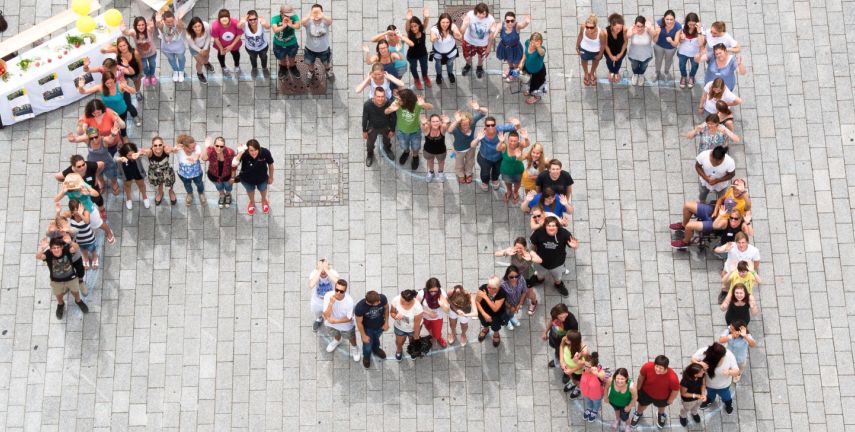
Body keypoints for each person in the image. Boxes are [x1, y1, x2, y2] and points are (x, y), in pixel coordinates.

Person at [55, 173, 115, 244]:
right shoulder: (67, 189)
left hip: (89, 210)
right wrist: (63, 192)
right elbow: (56, 199)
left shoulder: (83, 185)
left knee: (99, 224)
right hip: (76, 211)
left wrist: (88, 193)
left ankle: (109, 232)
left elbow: (96, 194)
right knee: (84, 226)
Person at [37, 237, 89, 319]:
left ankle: (78, 301)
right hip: (56, 281)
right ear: (50, 249)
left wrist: (70, 242)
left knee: (75, 291)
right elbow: (38, 256)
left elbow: (76, 248)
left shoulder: (66, 250)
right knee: (58, 294)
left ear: (61, 247)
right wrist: (42, 248)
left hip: (71, 278)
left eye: (58, 247)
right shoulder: (48, 254)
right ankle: (60, 304)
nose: (56, 250)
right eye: (54, 248)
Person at [77, 70, 136, 141]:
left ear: (114, 79)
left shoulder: (120, 86)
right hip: (108, 113)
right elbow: (84, 91)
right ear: (103, 82)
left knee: (122, 125)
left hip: (121, 111)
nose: (110, 85)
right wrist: (81, 87)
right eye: (107, 83)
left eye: (111, 82)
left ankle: (124, 135)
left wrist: (126, 86)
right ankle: (117, 138)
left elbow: (133, 91)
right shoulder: (100, 87)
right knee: (111, 126)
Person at [529, 216, 579, 296]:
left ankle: (558, 285)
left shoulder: (564, 233)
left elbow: (574, 244)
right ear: (545, 226)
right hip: (540, 263)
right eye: (549, 226)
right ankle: (539, 280)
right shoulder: (538, 232)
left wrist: (575, 246)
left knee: (558, 277)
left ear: (557, 226)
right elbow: (532, 246)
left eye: (553, 226)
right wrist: (533, 254)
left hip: (558, 264)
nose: (551, 228)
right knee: (540, 275)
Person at [384, 89, 433, 170]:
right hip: (401, 131)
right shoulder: (397, 103)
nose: (398, 100)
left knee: (416, 147)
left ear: (407, 99)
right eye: (398, 98)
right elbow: (386, 112)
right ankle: (406, 152)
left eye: (400, 99)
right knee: (404, 145)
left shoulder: (416, 104)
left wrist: (423, 104)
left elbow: (430, 107)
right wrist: (391, 109)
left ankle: (415, 156)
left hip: (415, 131)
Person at [630, 355, 680, 429]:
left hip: (662, 397)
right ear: (654, 364)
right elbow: (641, 377)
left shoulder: (673, 378)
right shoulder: (647, 366)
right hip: (646, 393)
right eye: (656, 366)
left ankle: (661, 414)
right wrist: (638, 388)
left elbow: (675, 390)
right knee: (642, 405)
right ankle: (638, 413)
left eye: (661, 368)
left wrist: (670, 400)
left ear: (666, 368)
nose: (657, 369)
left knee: (661, 407)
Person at [472, 116, 520, 190]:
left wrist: (517, 123)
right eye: (488, 125)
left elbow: (516, 127)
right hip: (485, 158)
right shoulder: (482, 133)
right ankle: (485, 182)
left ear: (495, 125)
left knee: (497, 171)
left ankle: (495, 179)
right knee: (485, 173)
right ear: (485, 126)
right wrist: (478, 139)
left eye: (493, 125)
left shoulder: (500, 129)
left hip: (499, 157)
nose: (490, 127)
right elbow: (472, 145)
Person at [691, 342, 740, 414]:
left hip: (723, 386)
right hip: (709, 385)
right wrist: (699, 363)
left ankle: (728, 405)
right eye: (722, 357)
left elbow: (737, 372)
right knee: (710, 396)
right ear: (715, 359)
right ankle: (710, 401)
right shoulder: (704, 352)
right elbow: (692, 359)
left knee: (727, 397)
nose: (724, 357)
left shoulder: (729, 355)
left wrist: (729, 372)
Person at [100, 36, 144, 115]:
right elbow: (103, 51)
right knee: (125, 83)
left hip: (134, 70)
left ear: (127, 44)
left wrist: (140, 74)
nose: (122, 48)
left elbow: (140, 63)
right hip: (123, 72)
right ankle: (125, 92)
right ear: (118, 47)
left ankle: (137, 92)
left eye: (124, 45)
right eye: (120, 46)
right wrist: (104, 49)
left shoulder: (135, 53)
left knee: (137, 81)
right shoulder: (117, 51)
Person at [449, 101, 488, 183]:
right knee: (459, 164)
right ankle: (460, 174)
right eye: (463, 124)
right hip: (459, 150)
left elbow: (485, 112)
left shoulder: (472, 123)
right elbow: (449, 130)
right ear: (459, 124)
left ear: (470, 122)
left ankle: (468, 173)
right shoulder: (456, 128)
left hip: (470, 147)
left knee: (470, 162)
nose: (466, 126)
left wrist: (479, 108)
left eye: (467, 124)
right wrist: (456, 121)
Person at [233, 139, 275, 215]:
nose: (254, 152)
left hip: (262, 178)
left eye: (256, 150)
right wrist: (240, 152)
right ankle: (252, 202)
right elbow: (234, 164)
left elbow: (270, 164)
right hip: (247, 179)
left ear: (259, 148)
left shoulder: (265, 152)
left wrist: (271, 177)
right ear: (247, 150)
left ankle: (264, 200)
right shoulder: (244, 153)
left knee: (263, 189)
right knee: (250, 191)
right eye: (251, 150)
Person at [322, 279, 360, 362]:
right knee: (335, 334)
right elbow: (325, 314)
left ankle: (354, 348)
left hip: (345, 325)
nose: (338, 293)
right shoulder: (328, 296)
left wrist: (335, 321)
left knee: (351, 337)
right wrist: (331, 303)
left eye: (341, 291)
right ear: (334, 288)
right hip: (330, 323)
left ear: (345, 291)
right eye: (337, 290)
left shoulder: (349, 301)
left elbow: (349, 318)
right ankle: (337, 341)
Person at [138, 136, 178, 206]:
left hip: (166, 171)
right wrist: (139, 153)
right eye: (155, 145)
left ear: (163, 144)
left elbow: (171, 149)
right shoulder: (150, 152)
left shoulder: (165, 149)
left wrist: (174, 149)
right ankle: (160, 193)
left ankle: (171, 192)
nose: (158, 147)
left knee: (170, 183)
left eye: (160, 145)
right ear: (152, 146)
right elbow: (144, 152)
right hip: (155, 172)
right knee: (159, 184)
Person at [354, 290, 389, 368]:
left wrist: (386, 322)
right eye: (378, 302)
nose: (380, 302)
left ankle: (376, 349)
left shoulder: (382, 298)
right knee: (367, 346)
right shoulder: (360, 308)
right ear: (370, 303)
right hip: (367, 329)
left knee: (376, 339)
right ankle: (366, 357)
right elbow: (359, 322)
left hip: (380, 326)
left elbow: (386, 308)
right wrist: (363, 335)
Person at [460, 3, 496, 79]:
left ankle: (479, 67)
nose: (481, 16)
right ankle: (468, 65)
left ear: (487, 13)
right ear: (476, 11)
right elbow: (462, 31)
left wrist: (489, 47)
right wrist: (465, 24)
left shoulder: (491, 20)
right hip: (469, 41)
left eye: (483, 14)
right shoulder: (470, 15)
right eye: (479, 13)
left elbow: (491, 36)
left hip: (483, 43)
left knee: (481, 57)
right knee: (467, 57)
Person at [362, 87, 396, 166]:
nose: (380, 99)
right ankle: (370, 154)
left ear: (385, 96)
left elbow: (394, 117)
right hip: (372, 127)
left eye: (382, 96)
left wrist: (392, 130)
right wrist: (364, 131)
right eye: (378, 96)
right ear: (374, 96)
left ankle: (387, 148)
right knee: (370, 144)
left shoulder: (390, 104)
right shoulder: (367, 105)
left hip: (385, 126)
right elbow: (365, 118)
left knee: (387, 140)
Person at [201, 137, 236, 208]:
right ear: (214, 145)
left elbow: (234, 166)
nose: (219, 148)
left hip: (227, 176)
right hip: (214, 176)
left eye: (221, 146)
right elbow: (204, 158)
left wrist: (233, 177)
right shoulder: (210, 150)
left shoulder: (230, 152)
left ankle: (228, 195)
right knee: (219, 187)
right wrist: (206, 147)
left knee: (228, 187)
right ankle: (222, 195)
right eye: (217, 146)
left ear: (224, 146)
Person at [301, 4, 334, 81]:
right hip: (310, 49)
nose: (316, 14)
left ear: (322, 13)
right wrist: (310, 15)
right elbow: (302, 22)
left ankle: (328, 71)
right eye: (314, 12)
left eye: (318, 12)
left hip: (324, 49)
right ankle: (311, 72)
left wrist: (321, 15)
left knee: (326, 62)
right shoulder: (309, 22)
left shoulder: (325, 22)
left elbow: (330, 20)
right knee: (310, 63)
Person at [124, 16, 158, 87]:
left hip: (152, 53)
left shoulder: (148, 29)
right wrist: (123, 30)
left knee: (152, 64)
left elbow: (152, 27)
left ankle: (152, 75)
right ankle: (147, 76)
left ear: (145, 25)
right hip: (141, 55)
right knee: (144, 66)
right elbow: (127, 33)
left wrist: (153, 24)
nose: (141, 27)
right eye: (139, 25)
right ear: (135, 26)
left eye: (143, 25)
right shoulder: (134, 32)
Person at [429, 12, 462, 85]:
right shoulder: (434, 29)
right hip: (438, 52)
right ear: (439, 22)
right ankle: (439, 75)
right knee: (438, 64)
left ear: (450, 22)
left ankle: (450, 74)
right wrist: (435, 38)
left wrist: (458, 35)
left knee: (450, 63)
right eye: (443, 22)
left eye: (447, 22)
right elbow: (432, 38)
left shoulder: (452, 26)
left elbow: (458, 33)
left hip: (451, 52)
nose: (445, 24)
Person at [495, 12, 530, 80]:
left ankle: (514, 74)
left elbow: (522, 25)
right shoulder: (501, 25)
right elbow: (495, 33)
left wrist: (526, 22)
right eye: (508, 21)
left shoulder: (517, 26)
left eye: (512, 21)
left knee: (516, 63)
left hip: (515, 49)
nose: (510, 23)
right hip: (504, 48)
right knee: (508, 59)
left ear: (515, 20)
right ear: (505, 20)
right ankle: (511, 68)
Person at [390, 289, 423, 360]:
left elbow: (416, 325)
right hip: (399, 327)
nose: (400, 302)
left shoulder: (418, 308)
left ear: (410, 301)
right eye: (401, 299)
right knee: (399, 342)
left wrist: (416, 338)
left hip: (413, 329)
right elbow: (392, 312)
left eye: (402, 301)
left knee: (412, 341)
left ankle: (412, 351)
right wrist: (395, 316)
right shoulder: (396, 299)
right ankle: (399, 350)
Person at [307, 259, 340, 331]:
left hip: (330, 300)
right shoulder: (314, 273)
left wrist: (326, 269)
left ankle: (331, 321)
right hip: (317, 301)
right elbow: (311, 285)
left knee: (332, 312)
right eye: (321, 269)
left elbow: (338, 282)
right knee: (318, 313)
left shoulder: (332, 272)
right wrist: (319, 270)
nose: (323, 272)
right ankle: (319, 319)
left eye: (325, 269)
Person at [542, 303, 578, 368]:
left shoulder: (572, 323)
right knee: (557, 352)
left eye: (565, 316)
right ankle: (557, 359)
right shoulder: (554, 313)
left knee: (565, 358)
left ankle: (565, 372)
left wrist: (565, 345)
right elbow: (551, 321)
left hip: (564, 343)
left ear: (567, 312)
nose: (563, 319)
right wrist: (545, 332)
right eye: (560, 317)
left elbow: (574, 337)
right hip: (553, 338)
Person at [115, 142, 150, 209]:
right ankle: (128, 198)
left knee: (141, 184)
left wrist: (139, 153)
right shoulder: (120, 154)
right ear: (124, 154)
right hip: (126, 172)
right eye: (129, 155)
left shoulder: (137, 151)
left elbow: (147, 151)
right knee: (127, 185)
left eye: (133, 154)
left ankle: (145, 197)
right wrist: (120, 159)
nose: (132, 157)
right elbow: (114, 158)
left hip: (137, 170)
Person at [65, 199, 98, 270]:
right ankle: (85, 258)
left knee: (92, 249)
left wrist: (80, 214)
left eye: (78, 209)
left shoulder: (86, 212)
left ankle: (95, 258)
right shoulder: (70, 215)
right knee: (83, 250)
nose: (76, 212)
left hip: (89, 238)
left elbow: (87, 221)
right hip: (78, 240)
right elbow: (61, 217)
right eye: (74, 210)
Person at [497, 130, 529, 202]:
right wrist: (501, 141)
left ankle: (515, 192)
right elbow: (497, 148)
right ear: (508, 140)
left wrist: (526, 138)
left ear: (518, 141)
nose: (513, 143)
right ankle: (509, 191)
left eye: (515, 141)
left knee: (518, 183)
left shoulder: (520, 146)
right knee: (507, 182)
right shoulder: (504, 146)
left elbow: (527, 144)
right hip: (506, 171)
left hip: (518, 171)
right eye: (511, 140)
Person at [270, 4, 301, 79]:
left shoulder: (294, 17)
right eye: (286, 15)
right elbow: (275, 29)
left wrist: (291, 25)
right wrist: (283, 26)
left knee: (292, 57)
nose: (288, 16)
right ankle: (283, 67)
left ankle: (292, 66)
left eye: (290, 14)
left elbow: (298, 26)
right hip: (278, 44)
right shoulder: (275, 19)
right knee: (281, 58)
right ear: (281, 13)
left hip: (292, 43)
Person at [156, 10, 188, 83]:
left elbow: (181, 26)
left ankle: (181, 71)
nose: (170, 23)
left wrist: (179, 18)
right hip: (166, 48)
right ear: (164, 21)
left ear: (174, 19)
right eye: (168, 22)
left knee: (181, 59)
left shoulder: (177, 26)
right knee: (171, 59)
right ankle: (175, 71)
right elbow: (158, 25)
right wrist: (157, 20)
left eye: (172, 21)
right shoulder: (162, 26)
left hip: (179, 48)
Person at [625, 16, 658, 86]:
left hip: (646, 56)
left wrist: (650, 27)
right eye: (638, 26)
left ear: (645, 25)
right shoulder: (632, 29)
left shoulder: (648, 30)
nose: (640, 28)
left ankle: (641, 75)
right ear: (635, 25)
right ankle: (635, 74)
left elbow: (655, 34)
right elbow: (627, 35)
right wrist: (633, 33)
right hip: (633, 56)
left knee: (643, 67)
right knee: (634, 67)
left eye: (642, 26)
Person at [500, 265, 534, 330]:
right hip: (506, 304)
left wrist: (520, 304)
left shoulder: (521, 278)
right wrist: (510, 306)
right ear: (507, 276)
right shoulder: (503, 284)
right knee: (506, 313)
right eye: (511, 277)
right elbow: (501, 298)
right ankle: (507, 322)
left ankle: (512, 317)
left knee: (512, 312)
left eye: (516, 276)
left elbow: (524, 291)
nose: (514, 279)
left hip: (517, 301)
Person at [175, 134, 206, 206]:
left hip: (197, 173)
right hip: (183, 174)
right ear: (184, 147)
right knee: (187, 184)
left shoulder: (197, 147)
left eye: (194, 146)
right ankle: (190, 194)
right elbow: (169, 150)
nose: (194, 148)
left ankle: (201, 193)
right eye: (191, 148)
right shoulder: (179, 150)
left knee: (199, 183)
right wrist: (175, 148)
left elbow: (197, 155)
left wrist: (194, 159)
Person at [417, 278, 449, 348]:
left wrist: (442, 305)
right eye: (431, 291)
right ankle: (432, 336)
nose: (433, 293)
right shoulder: (421, 293)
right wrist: (428, 312)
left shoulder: (442, 293)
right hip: (425, 317)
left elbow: (447, 310)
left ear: (438, 288)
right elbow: (416, 306)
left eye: (435, 291)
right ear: (427, 288)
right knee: (429, 329)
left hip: (437, 318)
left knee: (437, 333)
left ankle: (438, 338)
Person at [211, 9, 243, 77]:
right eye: (222, 17)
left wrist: (231, 46)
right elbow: (216, 39)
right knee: (221, 56)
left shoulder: (235, 23)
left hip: (234, 44)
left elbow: (239, 35)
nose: (224, 19)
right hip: (221, 45)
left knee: (236, 54)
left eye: (226, 17)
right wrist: (221, 49)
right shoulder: (215, 26)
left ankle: (237, 66)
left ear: (229, 17)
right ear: (219, 18)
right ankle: (223, 67)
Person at [476, 276, 507, 347]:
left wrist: (485, 297)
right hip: (483, 311)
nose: (490, 290)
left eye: (494, 288)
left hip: (496, 314)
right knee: (484, 322)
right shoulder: (483, 288)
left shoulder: (501, 293)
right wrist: (484, 314)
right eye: (489, 287)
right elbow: (477, 302)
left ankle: (496, 334)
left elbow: (495, 309)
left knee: (496, 326)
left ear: (499, 287)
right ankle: (486, 329)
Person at [674, 12, 703, 88]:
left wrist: (699, 30)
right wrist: (681, 38)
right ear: (686, 23)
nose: (692, 27)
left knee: (694, 66)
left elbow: (701, 43)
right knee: (682, 66)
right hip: (683, 52)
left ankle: (691, 76)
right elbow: (679, 42)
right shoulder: (682, 28)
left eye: (694, 25)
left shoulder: (701, 30)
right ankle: (683, 76)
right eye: (690, 24)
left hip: (695, 54)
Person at [404, 8, 431, 89]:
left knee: (424, 66)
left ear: (419, 25)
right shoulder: (409, 32)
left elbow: (425, 23)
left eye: (415, 26)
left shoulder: (422, 30)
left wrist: (426, 17)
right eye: (412, 26)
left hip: (423, 54)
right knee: (413, 68)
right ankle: (416, 79)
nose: (413, 28)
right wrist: (408, 20)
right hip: (412, 55)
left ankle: (425, 76)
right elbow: (407, 27)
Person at [240, 10, 271, 78]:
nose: (253, 21)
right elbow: (238, 27)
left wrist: (264, 23)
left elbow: (268, 27)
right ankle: (254, 68)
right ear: (247, 19)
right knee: (253, 58)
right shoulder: (245, 24)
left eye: (255, 19)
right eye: (250, 19)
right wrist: (242, 21)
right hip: (250, 48)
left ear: (257, 18)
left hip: (263, 47)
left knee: (264, 57)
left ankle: (264, 68)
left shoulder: (260, 21)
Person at [577, 15, 606, 86]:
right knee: (584, 60)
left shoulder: (601, 34)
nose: (589, 29)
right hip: (584, 49)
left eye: (591, 27)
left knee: (595, 62)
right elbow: (580, 35)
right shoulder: (583, 27)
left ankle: (592, 73)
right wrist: (577, 46)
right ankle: (586, 73)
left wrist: (600, 54)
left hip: (595, 51)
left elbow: (603, 44)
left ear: (595, 26)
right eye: (587, 27)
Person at [420, 113, 450, 182]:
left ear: (440, 122)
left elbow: (446, 126)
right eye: (433, 121)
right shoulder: (427, 129)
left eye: (437, 121)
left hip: (441, 151)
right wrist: (423, 123)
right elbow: (422, 127)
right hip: (428, 151)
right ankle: (431, 172)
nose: (435, 123)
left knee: (441, 162)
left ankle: (441, 172)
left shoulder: (442, 129)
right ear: (430, 122)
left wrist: (447, 122)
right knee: (430, 161)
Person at [606, 367, 637, 432]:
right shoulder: (611, 380)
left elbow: (635, 397)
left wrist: (629, 406)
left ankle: (627, 425)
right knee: (616, 410)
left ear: (626, 378)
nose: (619, 381)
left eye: (622, 379)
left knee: (625, 417)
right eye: (618, 378)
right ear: (615, 377)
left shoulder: (631, 386)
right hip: (613, 401)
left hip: (625, 405)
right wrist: (605, 396)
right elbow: (606, 388)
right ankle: (617, 420)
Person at [652, 10, 680, 81]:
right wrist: (657, 33)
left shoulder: (678, 26)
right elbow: (654, 41)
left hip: (670, 48)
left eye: (671, 19)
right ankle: (657, 72)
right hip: (659, 46)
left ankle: (666, 72)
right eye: (667, 19)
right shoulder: (659, 23)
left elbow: (676, 43)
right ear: (664, 18)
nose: (669, 21)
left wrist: (671, 41)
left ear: (674, 19)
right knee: (658, 60)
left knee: (668, 60)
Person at [559, 329, 588, 398]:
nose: (565, 339)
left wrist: (572, 370)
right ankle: (572, 382)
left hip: (578, 371)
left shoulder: (583, 351)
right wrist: (561, 361)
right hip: (568, 367)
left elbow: (584, 364)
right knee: (571, 377)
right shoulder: (565, 339)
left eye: (568, 339)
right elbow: (561, 346)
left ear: (573, 342)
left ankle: (578, 388)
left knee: (578, 381)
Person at [185, 17, 214, 83]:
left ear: (202, 25)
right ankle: (199, 73)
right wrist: (200, 51)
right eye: (195, 27)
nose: (198, 28)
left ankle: (206, 63)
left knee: (206, 57)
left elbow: (209, 36)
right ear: (192, 27)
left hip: (205, 45)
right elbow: (192, 45)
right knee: (200, 62)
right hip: (195, 49)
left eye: (199, 26)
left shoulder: (206, 26)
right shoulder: (189, 35)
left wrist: (205, 48)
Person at [580, 352, 607, 422]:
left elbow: (602, 376)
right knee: (588, 401)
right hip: (586, 392)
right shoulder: (585, 370)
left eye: (588, 367)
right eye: (584, 365)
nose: (585, 368)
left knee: (596, 403)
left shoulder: (600, 372)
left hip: (596, 395)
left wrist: (597, 374)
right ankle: (589, 408)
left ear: (594, 367)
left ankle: (594, 411)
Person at [521, 32, 547, 104]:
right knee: (527, 80)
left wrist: (538, 46)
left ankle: (536, 96)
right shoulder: (527, 43)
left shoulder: (541, 50)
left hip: (538, 71)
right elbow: (525, 54)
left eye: (537, 42)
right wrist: (522, 62)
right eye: (532, 41)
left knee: (537, 85)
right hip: (527, 68)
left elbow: (542, 53)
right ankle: (529, 90)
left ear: (540, 42)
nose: (533, 44)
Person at [604, 14, 628, 83]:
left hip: (620, 51)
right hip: (609, 52)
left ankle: (616, 72)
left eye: (620, 28)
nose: (619, 30)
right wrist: (611, 56)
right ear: (611, 25)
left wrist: (621, 53)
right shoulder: (605, 32)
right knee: (609, 62)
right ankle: (611, 71)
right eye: (617, 28)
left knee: (619, 62)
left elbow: (625, 42)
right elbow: (605, 45)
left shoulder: (624, 30)